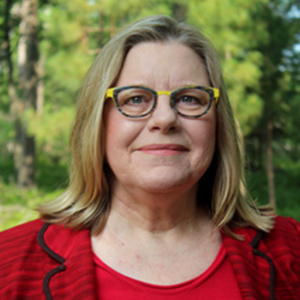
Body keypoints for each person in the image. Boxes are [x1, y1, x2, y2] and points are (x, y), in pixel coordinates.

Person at [0, 15, 299, 300]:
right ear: (98, 123)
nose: (165, 119)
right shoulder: (8, 266)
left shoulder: (291, 252)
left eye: (190, 98)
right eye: (135, 99)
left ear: (218, 124)